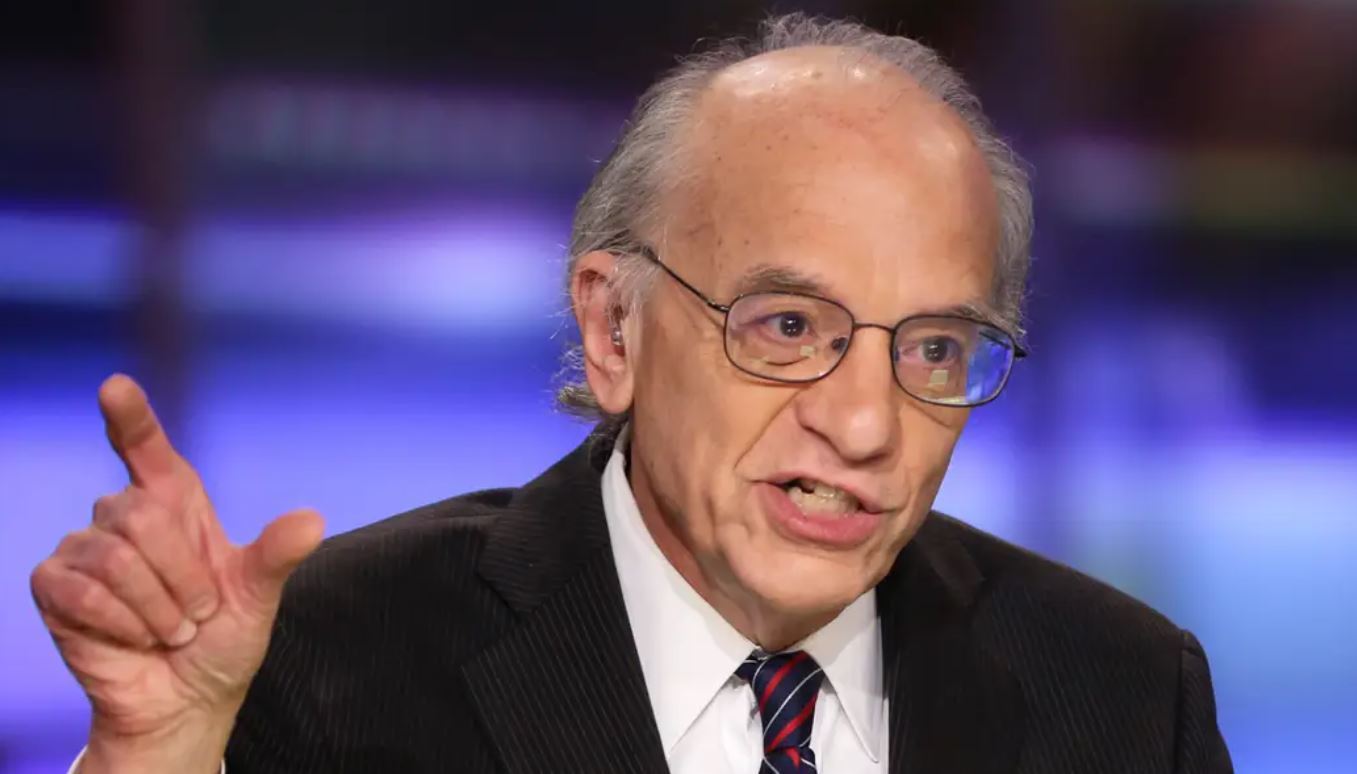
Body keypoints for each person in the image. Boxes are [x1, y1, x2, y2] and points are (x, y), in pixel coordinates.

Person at [33, 14, 1232, 774]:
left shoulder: (1122, 695)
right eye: (787, 327)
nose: (867, 424)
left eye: (931, 348)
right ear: (614, 329)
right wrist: (156, 757)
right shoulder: (327, 662)